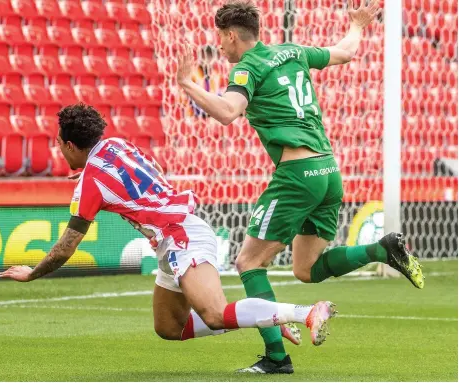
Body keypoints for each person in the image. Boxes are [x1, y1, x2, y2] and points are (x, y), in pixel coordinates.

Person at [176, 0, 424, 374]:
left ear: (230, 35)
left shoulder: (247, 69)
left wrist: (185, 84)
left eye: (220, 38)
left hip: (296, 177)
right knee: (306, 270)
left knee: (248, 263)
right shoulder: (291, 51)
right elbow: (344, 52)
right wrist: (357, 25)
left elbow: (228, 112)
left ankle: (277, 358)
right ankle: (381, 248)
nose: (219, 46)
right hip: (327, 170)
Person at [0, 103, 337, 364]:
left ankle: (306, 312)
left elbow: (65, 248)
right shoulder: (117, 145)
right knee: (168, 327)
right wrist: (92, 180)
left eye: (59, 144)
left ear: (70, 144)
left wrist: (33, 273)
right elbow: (147, 173)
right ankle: (265, 315)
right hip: (169, 238)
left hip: (181, 235)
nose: (59, 149)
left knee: (215, 313)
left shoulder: (92, 181)